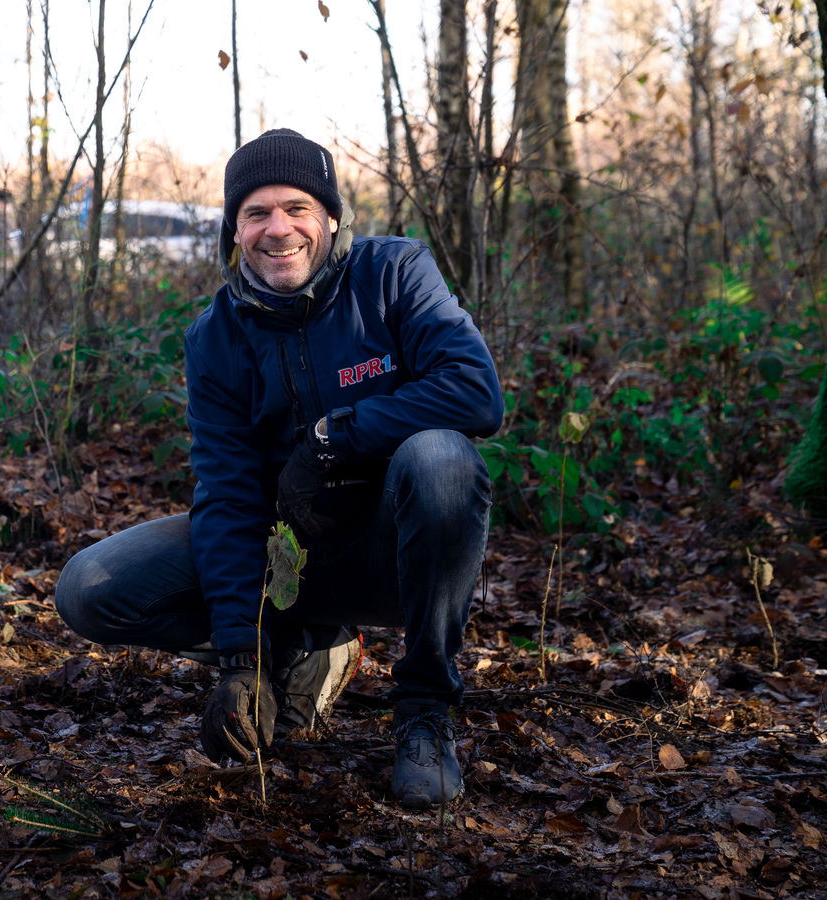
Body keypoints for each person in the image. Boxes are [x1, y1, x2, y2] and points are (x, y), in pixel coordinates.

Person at [54, 129, 503, 809]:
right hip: (287, 554)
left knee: (441, 457)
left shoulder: (393, 274)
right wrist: (242, 659)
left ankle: (424, 710)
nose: (278, 228)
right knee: (91, 588)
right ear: (234, 230)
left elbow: (476, 391)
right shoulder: (215, 336)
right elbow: (229, 494)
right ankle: (298, 649)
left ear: (329, 216)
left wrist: (335, 437)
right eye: (256, 213)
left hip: (395, 555)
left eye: (297, 207)